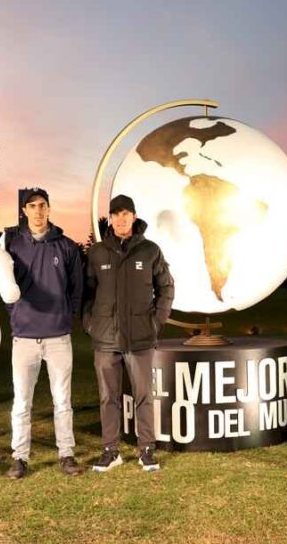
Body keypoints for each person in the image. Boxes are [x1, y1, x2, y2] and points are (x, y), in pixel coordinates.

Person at [83, 194, 174, 472]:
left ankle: (146, 449)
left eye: (126, 214)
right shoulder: (98, 252)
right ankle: (111, 451)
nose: (121, 219)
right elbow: (86, 293)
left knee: (144, 395)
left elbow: (166, 288)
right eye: (116, 214)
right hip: (106, 339)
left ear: (133, 217)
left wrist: (155, 322)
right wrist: (90, 324)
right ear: (110, 218)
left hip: (140, 339)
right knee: (108, 397)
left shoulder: (150, 251)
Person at [4, 187, 85, 479]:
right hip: (24, 337)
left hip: (58, 337)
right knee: (21, 401)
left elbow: (77, 289)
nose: (38, 210)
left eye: (42, 205)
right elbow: (6, 288)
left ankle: (66, 453)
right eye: (32, 206)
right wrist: (18, 317)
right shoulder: (13, 246)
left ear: (49, 209)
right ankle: (20, 457)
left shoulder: (66, 246)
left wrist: (66, 317)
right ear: (24, 211)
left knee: (62, 400)